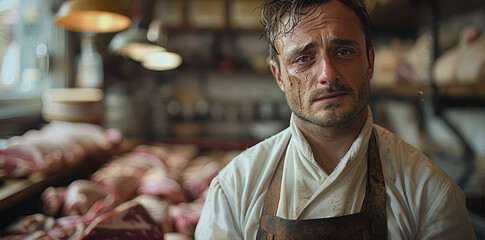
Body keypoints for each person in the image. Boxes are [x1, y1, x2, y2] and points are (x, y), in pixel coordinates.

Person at [195, 0, 476, 239]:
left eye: (344, 52)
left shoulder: (431, 193)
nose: (327, 74)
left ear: (370, 61)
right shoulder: (234, 188)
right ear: (278, 76)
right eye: (304, 58)